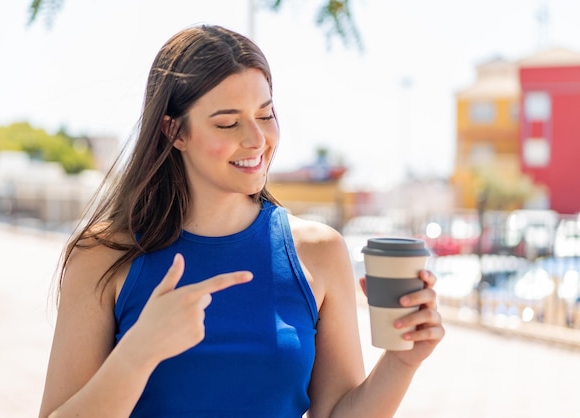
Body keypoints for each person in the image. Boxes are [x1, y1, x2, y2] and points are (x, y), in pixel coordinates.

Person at [39, 24, 444, 418]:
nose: (256, 139)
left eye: (265, 115)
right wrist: (137, 354)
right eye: (228, 122)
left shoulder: (318, 252)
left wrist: (401, 361)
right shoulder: (102, 255)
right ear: (173, 130)